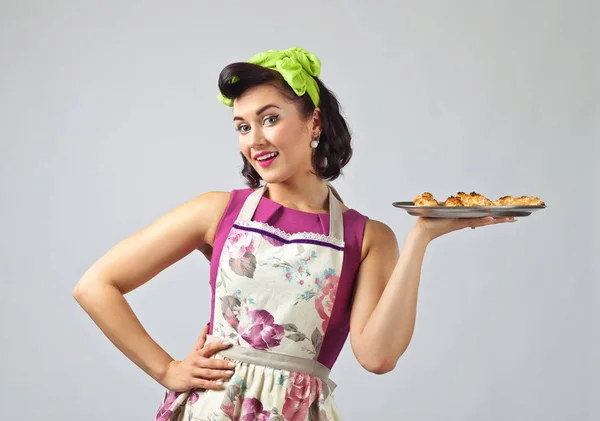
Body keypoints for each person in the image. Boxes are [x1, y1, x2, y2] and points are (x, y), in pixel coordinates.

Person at [73, 47, 515, 420]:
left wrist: (420, 237)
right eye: (242, 126)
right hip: (215, 409)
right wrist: (166, 369)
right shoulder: (217, 211)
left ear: (314, 123)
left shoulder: (369, 237)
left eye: (269, 119)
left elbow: (378, 357)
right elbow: (95, 286)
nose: (254, 139)